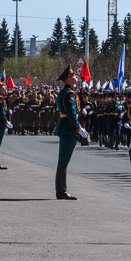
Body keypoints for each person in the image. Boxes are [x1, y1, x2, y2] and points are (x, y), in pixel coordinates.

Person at [54, 66, 88, 200]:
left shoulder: (65, 92)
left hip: (65, 128)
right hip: (68, 129)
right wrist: (79, 128)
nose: (76, 77)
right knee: (63, 161)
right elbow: (71, 114)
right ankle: (61, 191)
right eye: (74, 76)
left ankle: (61, 190)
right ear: (68, 78)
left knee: (63, 160)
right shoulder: (69, 94)